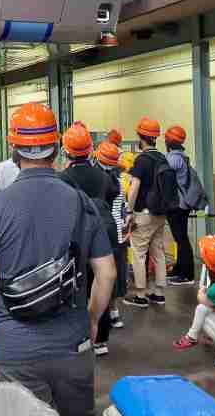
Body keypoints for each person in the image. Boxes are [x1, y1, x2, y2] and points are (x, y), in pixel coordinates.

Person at [0, 103, 116, 416]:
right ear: (56, 147)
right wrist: (90, 318)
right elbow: (107, 274)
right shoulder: (80, 201)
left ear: (13, 147)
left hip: (15, 348)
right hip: (73, 343)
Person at [59, 125, 120, 357]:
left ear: (66, 151)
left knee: (79, 286)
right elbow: (113, 195)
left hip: (75, 236)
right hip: (103, 233)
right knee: (101, 284)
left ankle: (82, 335)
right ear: (90, 150)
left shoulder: (63, 178)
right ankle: (101, 338)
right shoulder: (103, 176)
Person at [173, 235, 215, 372]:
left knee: (202, 309)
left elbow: (202, 299)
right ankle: (191, 337)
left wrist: (203, 290)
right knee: (204, 309)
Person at [124, 116, 168, 309]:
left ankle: (141, 295)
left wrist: (129, 209)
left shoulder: (142, 160)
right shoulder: (162, 157)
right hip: (161, 213)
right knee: (158, 252)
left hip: (144, 213)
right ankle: (158, 293)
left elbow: (134, 186)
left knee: (139, 254)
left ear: (140, 137)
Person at [95, 141, 128, 332]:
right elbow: (123, 208)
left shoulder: (100, 182)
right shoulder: (120, 181)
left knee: (101, 274)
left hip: (104, 232)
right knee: (116, 274)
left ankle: (103, 314)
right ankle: (115, 312)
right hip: (119, 233)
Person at [163, 125, 197, 286]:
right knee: (180, 237)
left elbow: (163, 176)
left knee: (181, 238)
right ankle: (179, 268)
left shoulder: (173, 158)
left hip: (178, 205)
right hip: (182, 204)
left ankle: (187, 274)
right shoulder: (181, 156)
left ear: (168, 141)